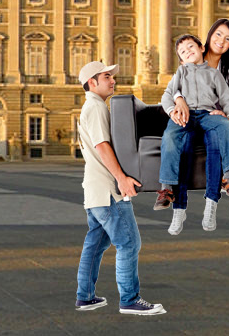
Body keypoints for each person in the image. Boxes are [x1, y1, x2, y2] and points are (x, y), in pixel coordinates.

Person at [74, 60, 166, 316]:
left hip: (95, 190)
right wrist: (122, 179)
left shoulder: (93, 106)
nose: (113, 80)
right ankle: (129, 299)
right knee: (128, 243)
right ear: (92, 82)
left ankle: (85, 297)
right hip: (107, 190)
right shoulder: (95, 107)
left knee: (95, 244)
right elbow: (103, 146)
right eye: (106, 76)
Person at [169, 19, 229, 234]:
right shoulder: (191, 59)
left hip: (215, 123)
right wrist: (178, 97)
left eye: (228, 39)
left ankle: (211, 204)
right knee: (183, 146)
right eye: (219, 35)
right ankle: (178, 209)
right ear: (208, 38)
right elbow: (174, 88)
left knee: (215, 140)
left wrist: (227, 114)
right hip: (191, 117)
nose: (222, 41)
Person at [155, 35, 229, 232]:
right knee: (170, 136)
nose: (188, 51)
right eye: (183, 51)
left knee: (225, 126)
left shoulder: (214, 74)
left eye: (191, 46)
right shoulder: (180, 72)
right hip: (185, 115)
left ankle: (228, 176)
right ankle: (167, 188)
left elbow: (226, 97)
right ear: (181, 59)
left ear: (202, 48)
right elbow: (167, 95)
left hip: (207, 113)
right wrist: (172, 110)